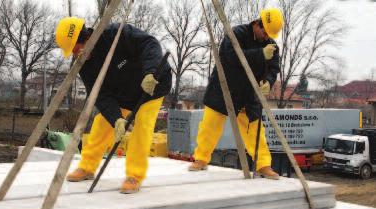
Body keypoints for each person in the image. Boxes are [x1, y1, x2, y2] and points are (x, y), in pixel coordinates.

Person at [55, 17, 172, 193]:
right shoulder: (85, 65)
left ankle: (134, 175)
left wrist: (150, 72)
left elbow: (150, 44)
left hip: (152, 86)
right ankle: (87, 167)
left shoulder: (116, 34)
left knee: (142, 126)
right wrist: (116, 118)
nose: (74, 54)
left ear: (84, 38)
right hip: (123, 94)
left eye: (74, 49)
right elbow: (100, 95)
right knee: (102, 124)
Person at [188, 8, 284, 180]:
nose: (267, 37)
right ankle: (201, 159)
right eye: (265, 33)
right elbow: (230, 56)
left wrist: (268, 82)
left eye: (270, 35)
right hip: (224, 89)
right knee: (210, 126)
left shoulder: (272, 46)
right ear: (257, 24)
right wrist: (260, 54)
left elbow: (273, 68)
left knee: (255, 131)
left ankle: (263, 165)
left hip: (248, 94)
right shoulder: (237, 34)